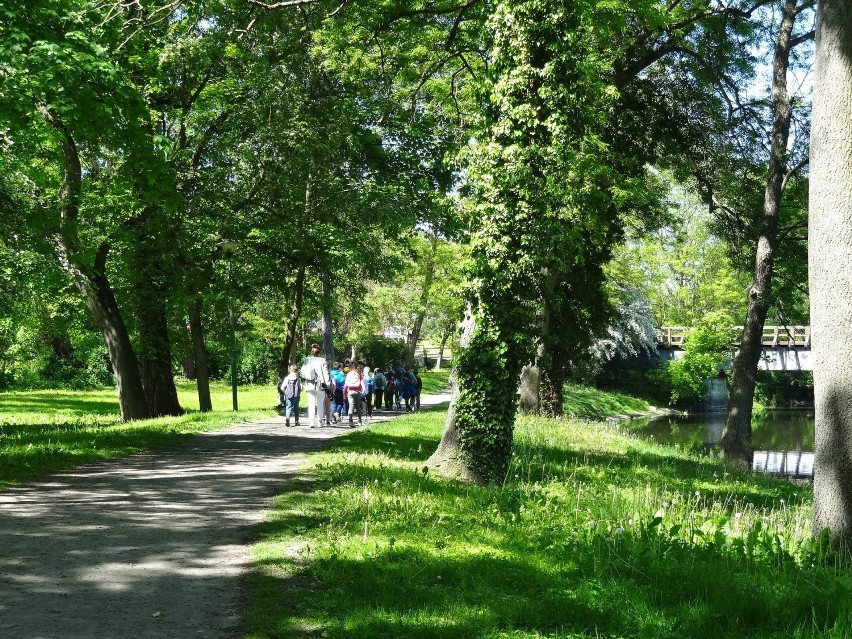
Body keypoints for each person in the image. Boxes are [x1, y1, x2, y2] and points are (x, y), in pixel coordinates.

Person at [301, 344, 331, 428]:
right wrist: (327, 384)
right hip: (320, 385)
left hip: (310, 384)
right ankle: (320, 421)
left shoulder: (307, 360)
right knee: (320, 403)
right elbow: (325, 373)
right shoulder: (323, 360)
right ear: (319, 352)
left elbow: (303, 372)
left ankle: (311, 421)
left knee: (311, 403)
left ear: (312, 351)